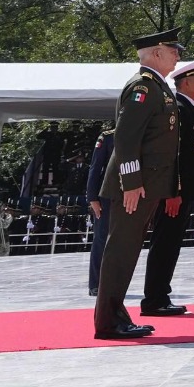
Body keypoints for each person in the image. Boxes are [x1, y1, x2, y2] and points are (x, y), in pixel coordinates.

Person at [92, 30, 183, 340]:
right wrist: (131, 182)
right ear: (156, 52)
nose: (177, 55)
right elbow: (126, 138)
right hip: (134, 187)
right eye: (173, 50)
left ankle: (115, 316)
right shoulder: (143, 87)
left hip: (146, 186)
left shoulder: (157, 86)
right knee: (121, 251)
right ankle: (109, 321)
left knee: (127, 252)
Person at [138, 57, 194, 315]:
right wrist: (174, 192)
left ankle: (160, 295)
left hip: (183, 191)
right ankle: (155, 299)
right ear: (186, 82)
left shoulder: (190, 108)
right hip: (175, 192)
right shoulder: (179, 109)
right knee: (165, 242)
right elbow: (173, 155)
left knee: (171, 242)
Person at [83, 124, 114, 296]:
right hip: (106, 195)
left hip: (128, 196)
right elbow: (95, 168)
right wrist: (92, 198)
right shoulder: (108, 137)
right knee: (101, 239)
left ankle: (114, 282)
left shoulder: (138, 135)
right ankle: (95, 284)